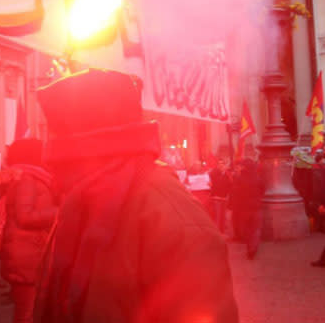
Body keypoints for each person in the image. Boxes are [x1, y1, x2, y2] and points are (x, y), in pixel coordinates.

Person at [34, 68, 238, 323]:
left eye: (56, 137)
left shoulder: (172, 218)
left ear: (85, 145)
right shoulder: (81, 201)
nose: (48, 158)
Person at [0, 138, 57, 323]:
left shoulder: (30, 177)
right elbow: (25, 216)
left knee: (29, 311)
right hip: (26, 256)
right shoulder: (27, 179)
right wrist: (60, 210)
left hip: (29, 252)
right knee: (27, 314)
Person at [233, 159, 265, 260]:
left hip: (244, 207)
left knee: (247, 229)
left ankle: (249, 247)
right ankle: (253, 247)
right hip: (256, 206)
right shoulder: (258, 178)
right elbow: (263, 190)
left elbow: (236, 192)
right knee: (256, 229)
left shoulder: (239, 178)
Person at [209, 158, 232, 235]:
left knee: (223, 217)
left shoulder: (227, 175)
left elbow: (230, 186)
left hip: (224, 198)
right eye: (219, 164)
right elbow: (214, 185)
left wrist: (228, 195)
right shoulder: (213, 174)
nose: (221, 166)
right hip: (216, 198)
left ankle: (222, 232)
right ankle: (217, 233)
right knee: (218, 216)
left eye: (223, 164)